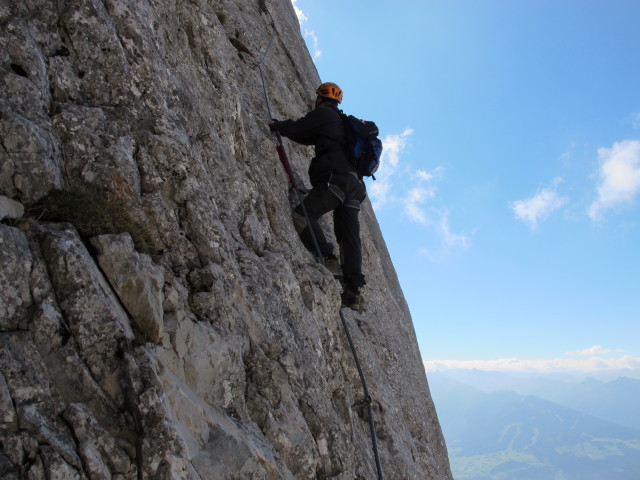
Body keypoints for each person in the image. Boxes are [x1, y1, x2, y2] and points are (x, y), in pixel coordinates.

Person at [269, 82, 366, 311]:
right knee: (348, 235)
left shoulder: (324, 114)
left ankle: (327, 257)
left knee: (303, 214)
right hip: (355, 186)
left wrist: (277, 125)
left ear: (320, 99)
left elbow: (300, 129)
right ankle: (354, 289)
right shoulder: (342, 124)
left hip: (336, 180)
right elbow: (310, 137)